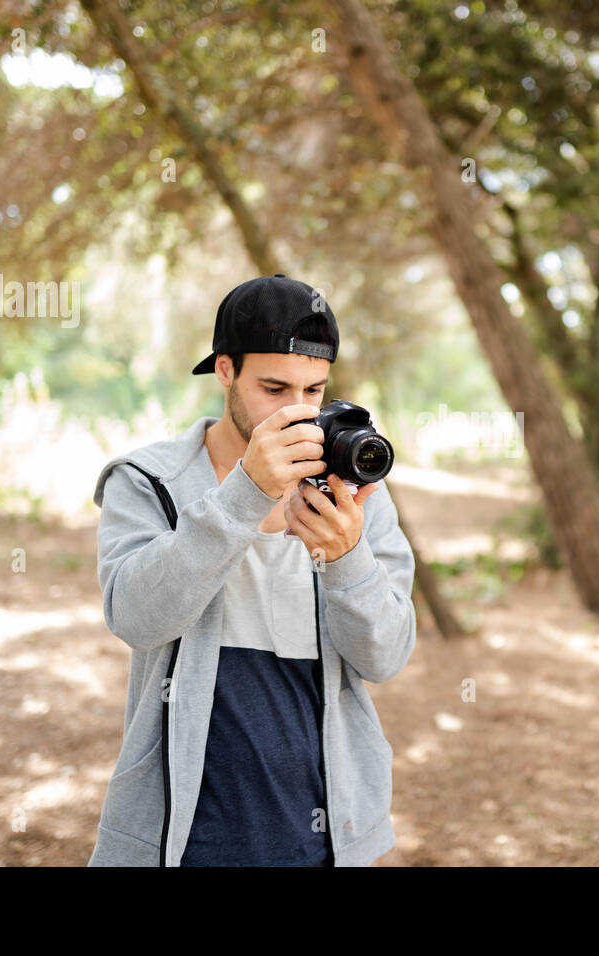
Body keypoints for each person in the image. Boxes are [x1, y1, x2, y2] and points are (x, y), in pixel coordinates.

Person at [87, 274, 417, 867]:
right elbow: (135, 617)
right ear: (225, 371)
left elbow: (385, 657)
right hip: (182, 839)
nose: (297, 412)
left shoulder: (353, 490)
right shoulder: (147, 482)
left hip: (327, 838)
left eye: (314, 391)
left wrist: (346, 561)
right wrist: (246, 495)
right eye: (273, 388)